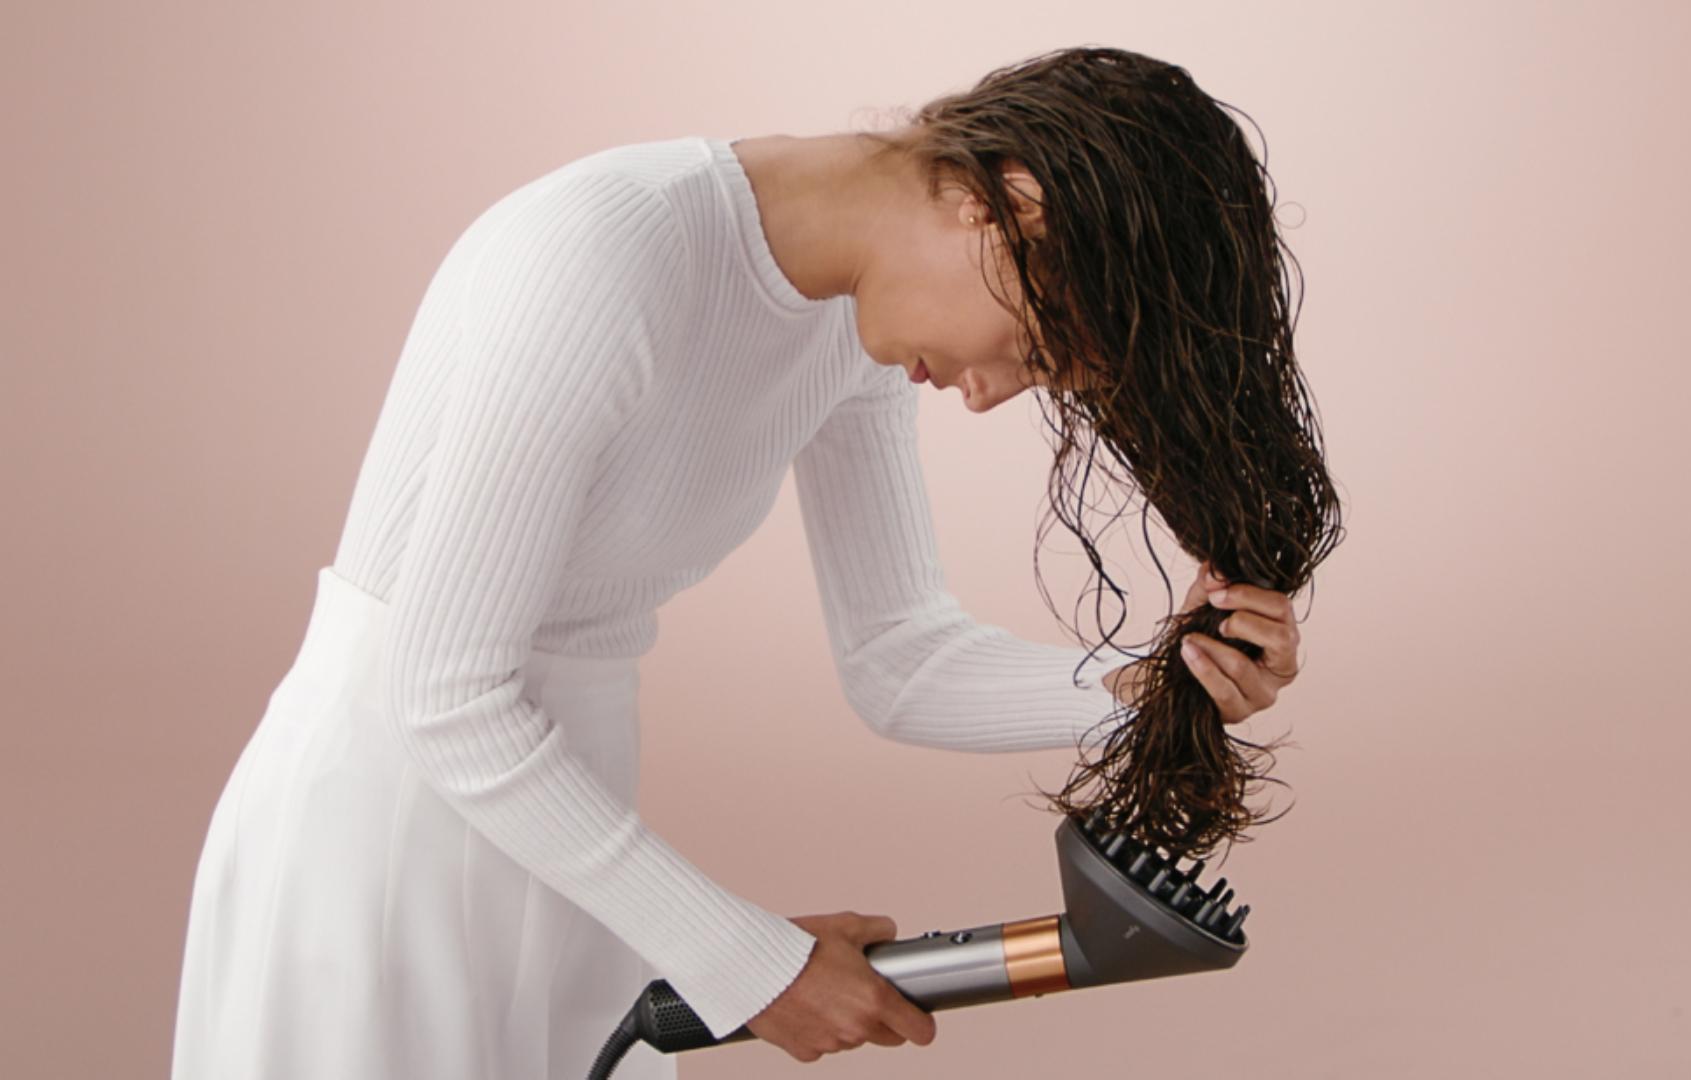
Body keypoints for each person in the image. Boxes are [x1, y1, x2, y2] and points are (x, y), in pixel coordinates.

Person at [169, 45, 1317, 1079]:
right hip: (377, 857)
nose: (988, 395)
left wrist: (1145, 685)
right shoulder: (601, 250)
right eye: (1039, 344)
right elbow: (445, 695)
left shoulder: (857, 330)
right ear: (1009, 202)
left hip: (579, 852)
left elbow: (900, 659)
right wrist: (747, 962)